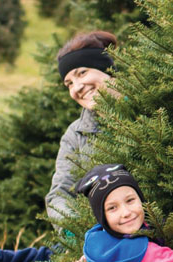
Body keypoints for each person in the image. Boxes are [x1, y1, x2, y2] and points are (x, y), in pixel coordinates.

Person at [46, 30, 120, 227]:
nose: (77, 87)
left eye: (82, 73)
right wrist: (79, 233)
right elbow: (59, 195)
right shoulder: (75, 135)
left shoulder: (152, 109)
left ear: (107, 69)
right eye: (69, 83)